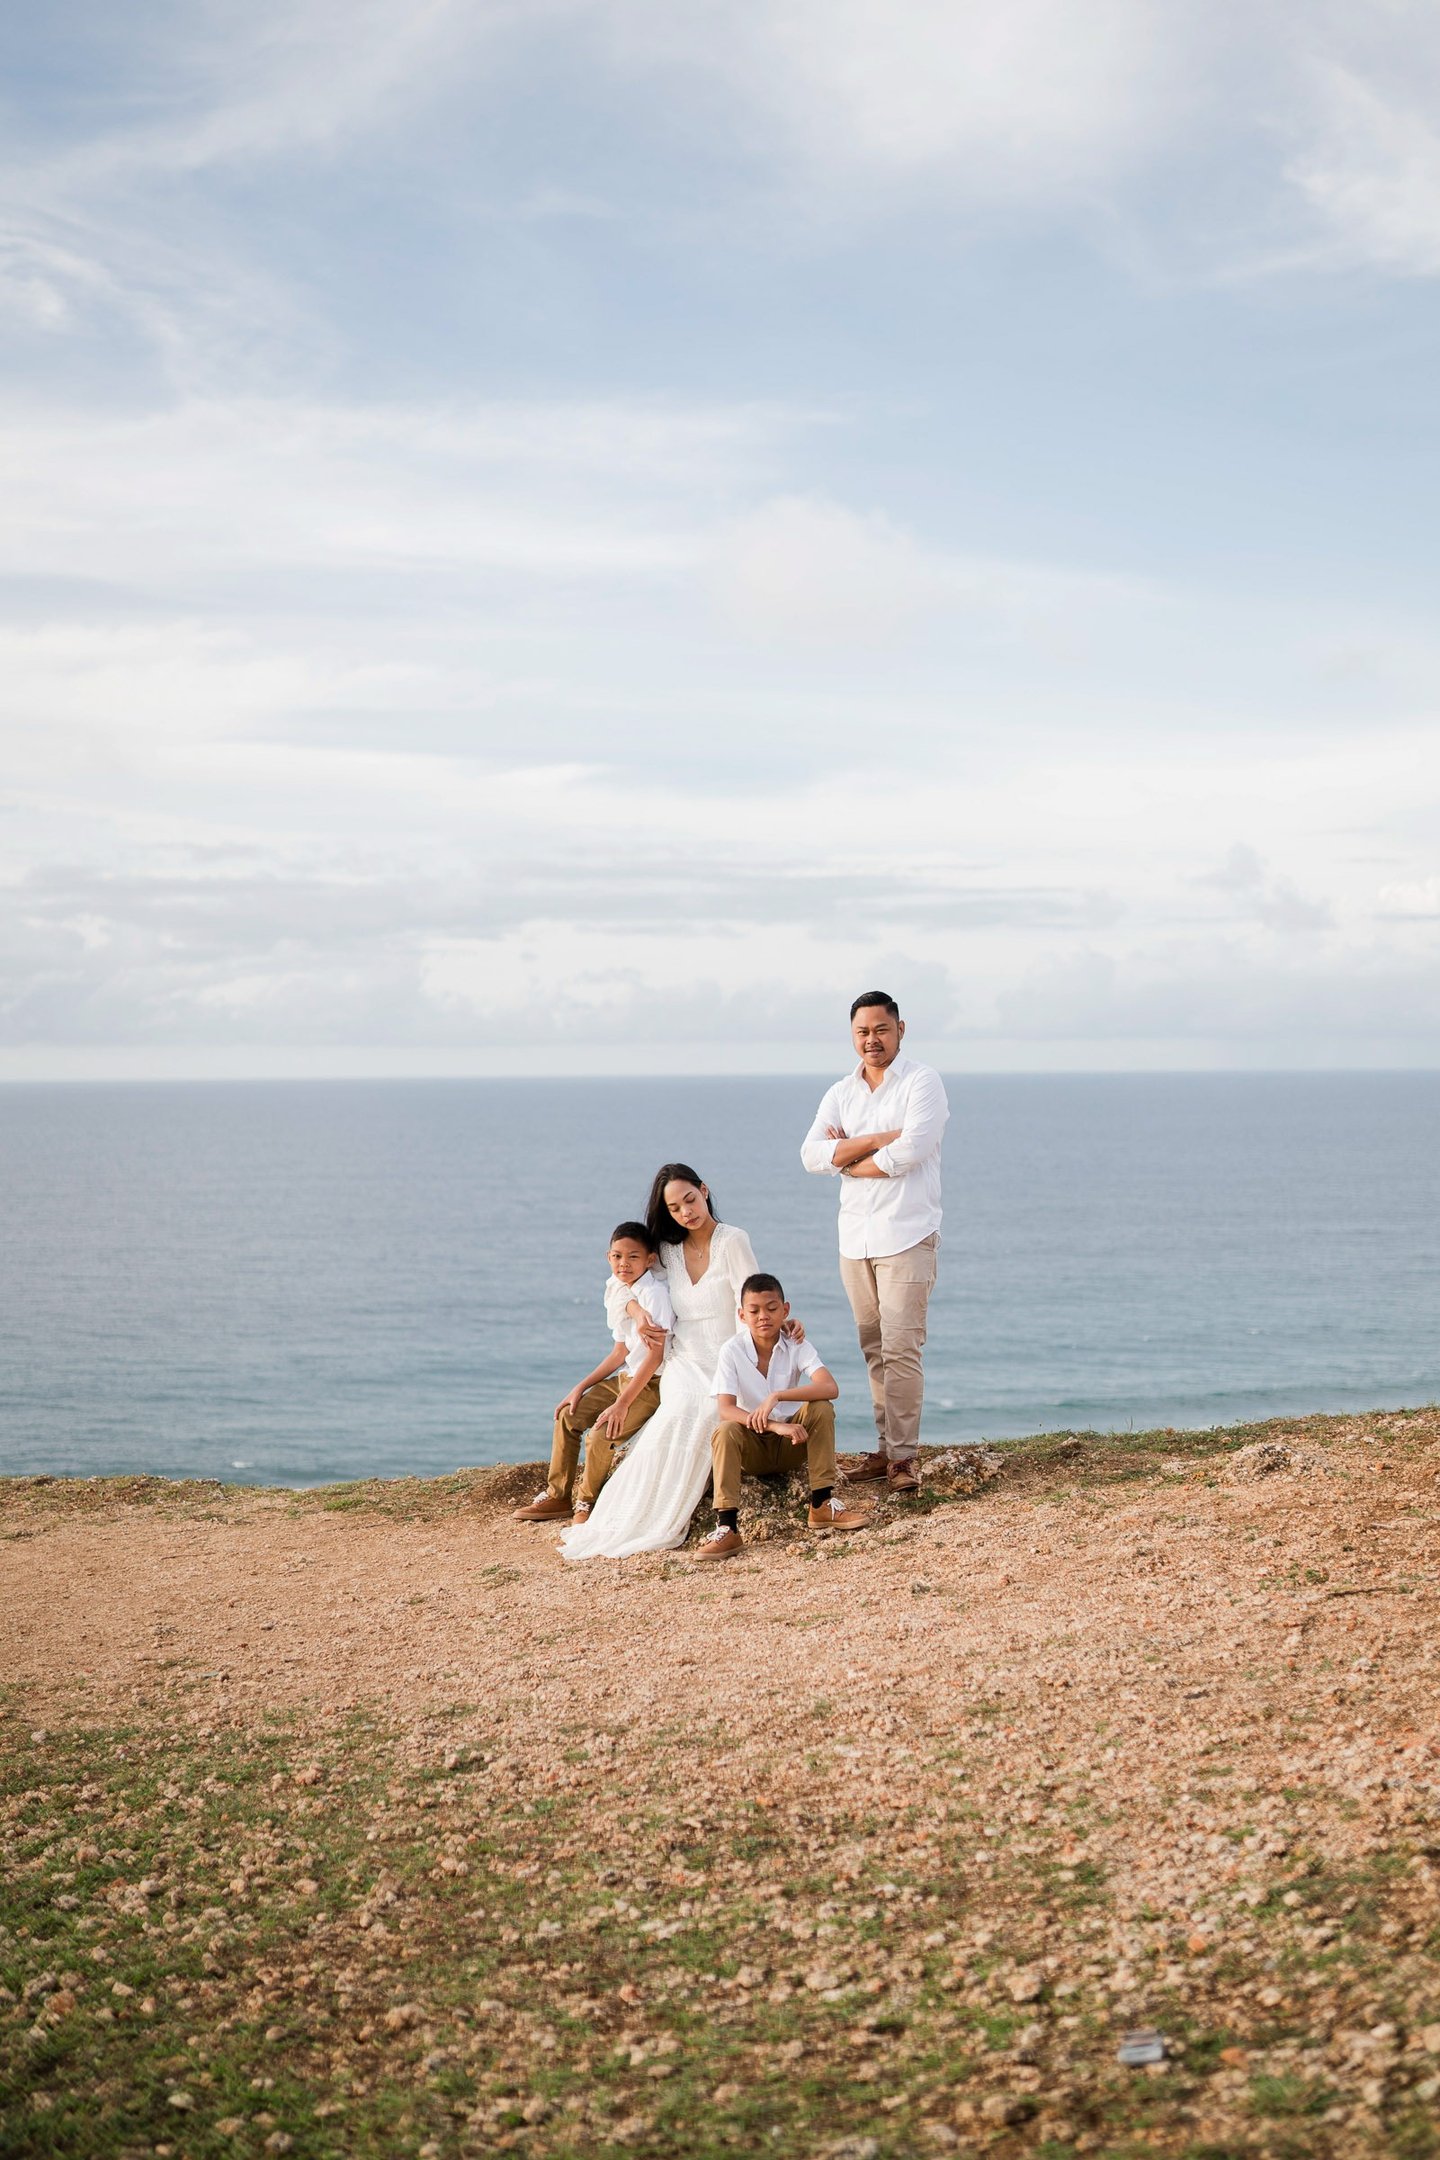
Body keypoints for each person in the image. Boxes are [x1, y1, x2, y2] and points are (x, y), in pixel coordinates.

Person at [560, 1165, 777, 1561]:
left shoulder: (733, 1240)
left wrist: (776, 1330)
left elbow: (752, 1298)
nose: (686, 1213)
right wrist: (637, 1312)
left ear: (704, 1191)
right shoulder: (668, 1250)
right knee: (676, 1414)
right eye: (674, 1208)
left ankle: (691, 1514)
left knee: (710, 1408)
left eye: (690, 1200)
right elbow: (620, 1281)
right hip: (683, 1358)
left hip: (728, 1356)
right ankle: (626, 1515)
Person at [800, 991, 949, 1493]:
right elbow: (811, 1155)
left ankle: (904, 1458)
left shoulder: (922, 1081)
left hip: (907, 1234)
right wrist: (876, 1138)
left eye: (881, 1030)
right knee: (873, 1348)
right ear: (852, 1036)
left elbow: (912, 1150)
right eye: (862, 1032)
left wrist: (851, 1159)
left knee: (902, 1347)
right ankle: (885, 1449)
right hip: (855, 1240)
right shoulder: (842, 1092)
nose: (872, 1040)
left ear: (900, 1030)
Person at [696, 1273, 871, 1560]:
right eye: (754, 1311)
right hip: (754, 1449)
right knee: (725, 1429)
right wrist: (776, 1425)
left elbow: (830, 1386)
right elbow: (725, 1407)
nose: (763, 1316)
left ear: (785, 1310)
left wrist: (777, 1396)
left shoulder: (795, 1342)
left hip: (792, 1446)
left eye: (772, 1308)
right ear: (742, 1315)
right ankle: (727, 1528)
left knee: (821, 1406)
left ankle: (822, 1505)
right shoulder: (732, 1350)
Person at [514, 1221, 672, 1524]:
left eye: (633, 1257)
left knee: (601, 1434)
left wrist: (621, 1403)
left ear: (650, 1259)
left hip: (651, 1383)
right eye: (617, 1256)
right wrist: (580, 1386)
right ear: (607, 1256)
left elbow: (655, 1357)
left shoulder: (655, 1296)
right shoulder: (615, 1287)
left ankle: (586, 1501)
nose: (623, 1264)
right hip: (627, 1377)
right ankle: (558, 1497)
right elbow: (619, 1352)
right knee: (568, 1415)